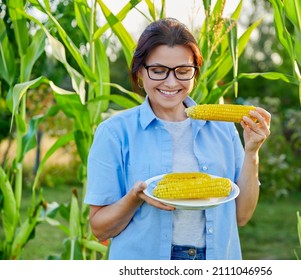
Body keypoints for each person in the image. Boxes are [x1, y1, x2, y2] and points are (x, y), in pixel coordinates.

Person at [84, 17, 271, 260]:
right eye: (158, 71)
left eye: (183, 71)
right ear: (140, 71)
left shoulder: (223, 129)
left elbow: (242, 216)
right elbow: (99, 228)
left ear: (195, 72)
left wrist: (252, 152)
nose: (171, 83)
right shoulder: (114, 133)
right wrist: (134, 199)